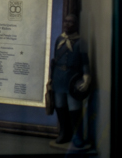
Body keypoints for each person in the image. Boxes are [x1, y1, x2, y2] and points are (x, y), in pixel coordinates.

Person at [47, 14, 91, 147]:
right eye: (66, 21)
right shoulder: (59, 39)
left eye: (70, 22)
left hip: (73, 79)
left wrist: (86, 76)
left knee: (74, 109)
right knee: (60, 107)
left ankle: (77, 136)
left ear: (76, 25)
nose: (67, 24)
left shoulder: (81, 42)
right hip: (59, 78)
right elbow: (54, 60)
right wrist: (51, 78)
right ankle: (64, 133)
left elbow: (85, 61)